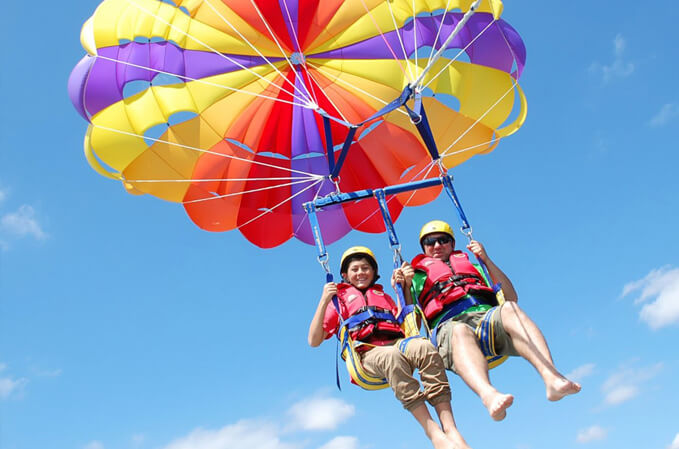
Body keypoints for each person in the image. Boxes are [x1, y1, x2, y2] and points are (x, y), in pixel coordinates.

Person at [408, 220, 581, 422]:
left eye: (443, 240)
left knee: (510, 308)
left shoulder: (474, 267)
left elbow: (511, 296)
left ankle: (551, 377)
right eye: (430, 242)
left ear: (452, 244)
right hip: (450, 327)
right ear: (424, 248)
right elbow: (413, 327)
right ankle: (488, 395)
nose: (437, 245)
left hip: (486, 320)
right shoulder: (415, 277)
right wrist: (403, 286)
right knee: (459, 330)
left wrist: (486, 260)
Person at [308, 246, 470, 449]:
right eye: (355, 269)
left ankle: (450, 428)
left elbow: (410, 327)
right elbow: (314, 340)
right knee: (391, 356)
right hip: (367, 352)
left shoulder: (383, 296)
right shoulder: (338, 301)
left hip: (398, 344)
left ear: (374, 272)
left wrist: (403, 288)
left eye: (366, 268)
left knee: (424, 347)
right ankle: (433, 432)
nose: (360, 273)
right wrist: (324, 300)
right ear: (345, 275)